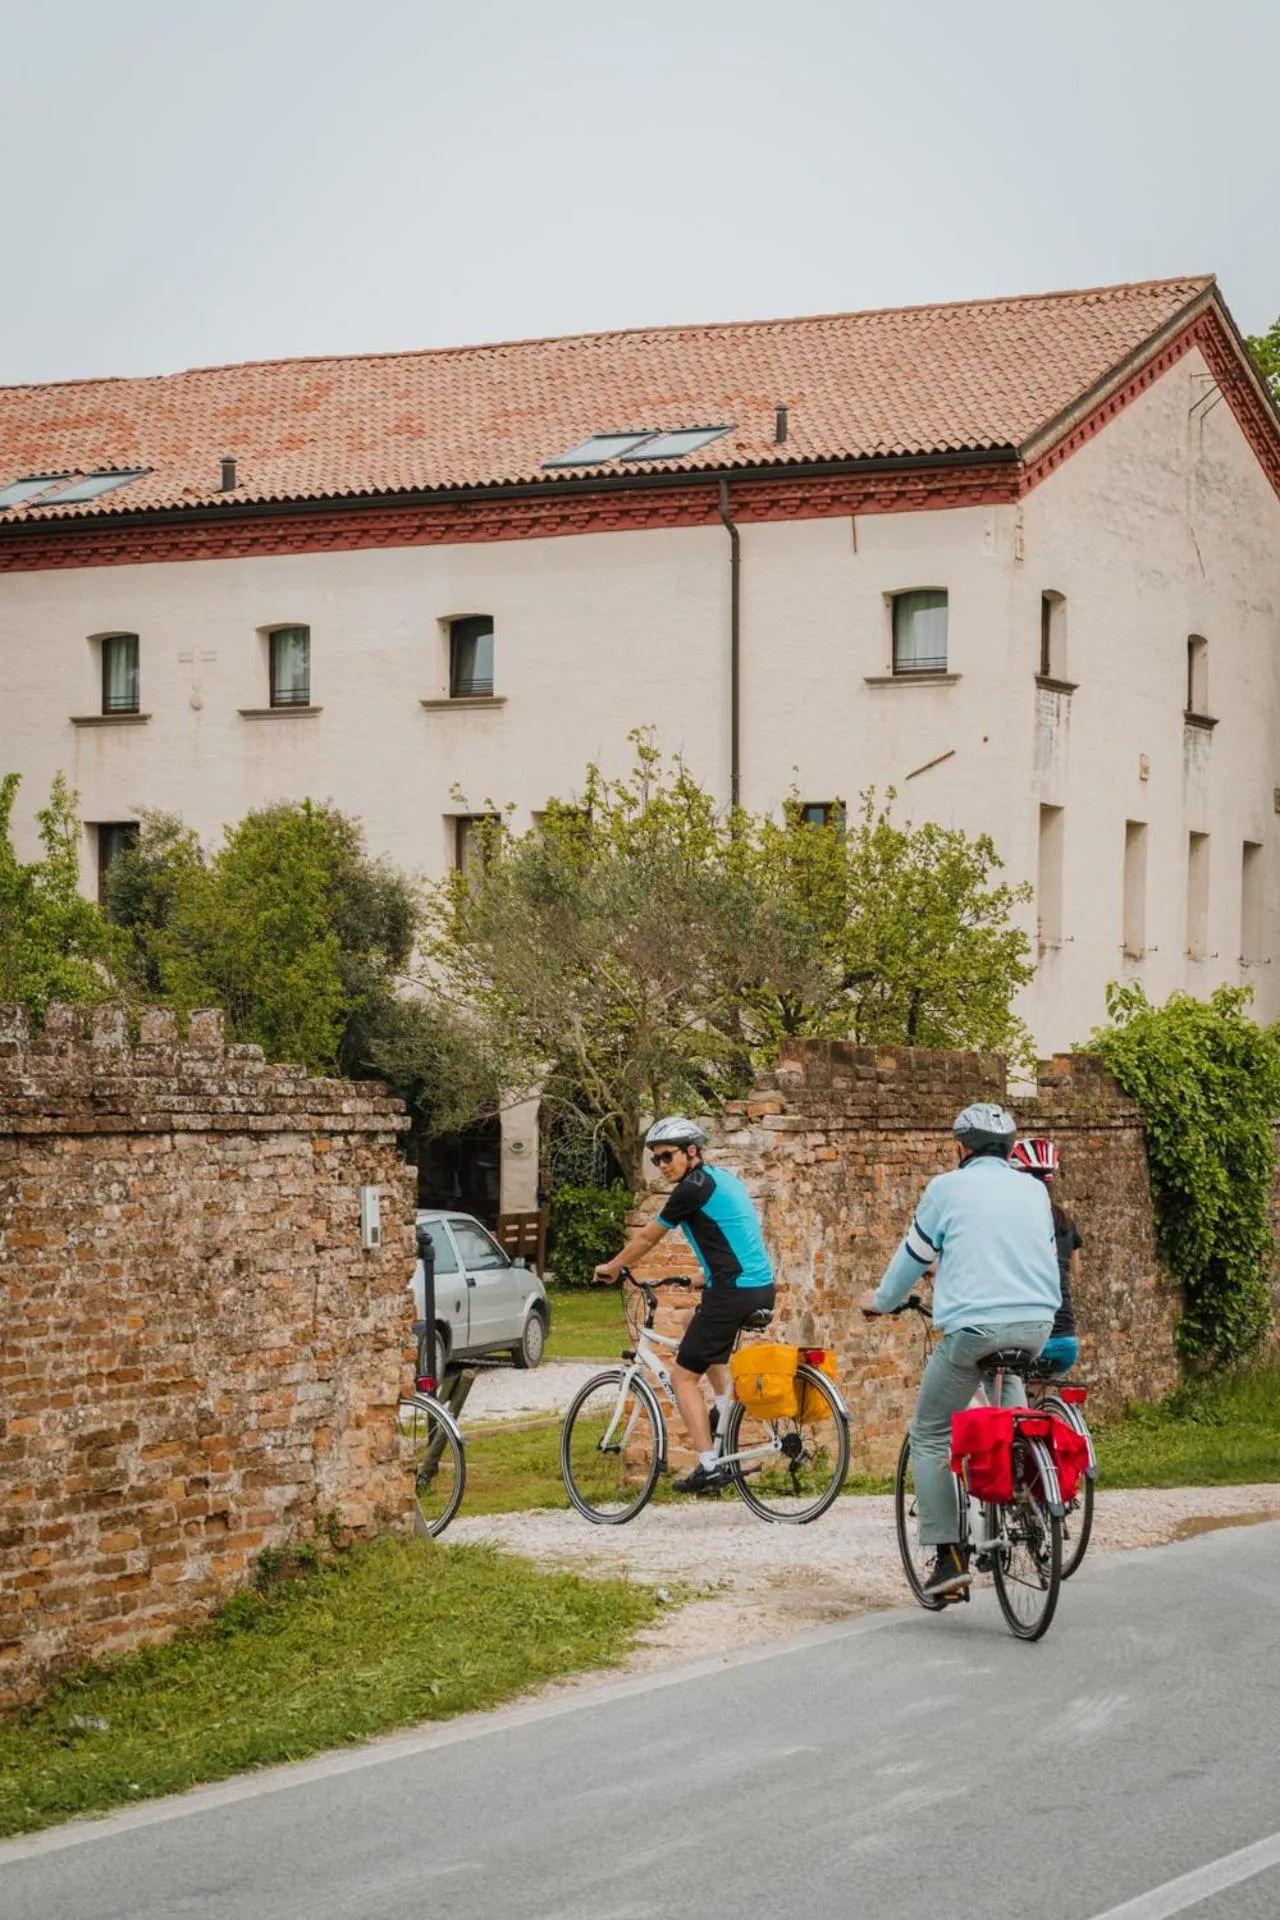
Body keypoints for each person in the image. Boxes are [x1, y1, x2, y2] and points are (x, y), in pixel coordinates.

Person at [858, 1102, 1061, 1599]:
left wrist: (880, 1302)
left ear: (961, 1148)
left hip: (975, 1330)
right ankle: (1027, 1504)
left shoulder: (945, 1188)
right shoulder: (1034, 1190)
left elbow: (914, 1257)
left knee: (928, 1433)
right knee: (1011, 1415)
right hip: (1036, 1324)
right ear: (1010, 1148)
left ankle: (947, 1558)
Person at [593, 1116, 776, 1494]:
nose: (662, 1165)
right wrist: (703, 1274)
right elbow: (734, 1236)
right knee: (696, 1316)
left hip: (732, 1292)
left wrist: (613, 1267)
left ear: (692, 1151)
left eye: (667, 1156)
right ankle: (724, 1405)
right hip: (755, 1287)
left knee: (681, 1377)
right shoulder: (722, 1179)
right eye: (656, 1159)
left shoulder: (691, 1189)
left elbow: (646, 1238)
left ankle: (708, 1465)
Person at [1010, 1136, 1081, 1373]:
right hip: (1067, 1340)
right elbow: (1074, 1270)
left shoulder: (1014, 1222)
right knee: (1042, 1399)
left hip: (1030, 1340)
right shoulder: (1065, 1222)